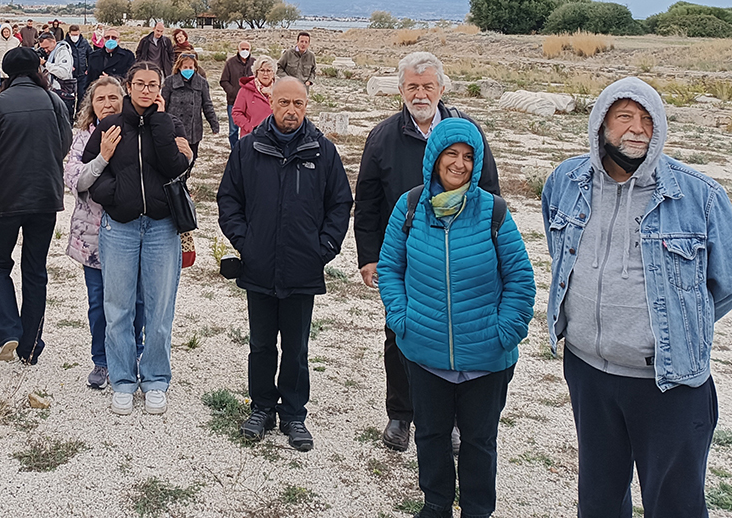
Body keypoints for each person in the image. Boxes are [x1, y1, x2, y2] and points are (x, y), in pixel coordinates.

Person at [541, 77, 732, 518]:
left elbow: (730, 282)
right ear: (601, 124)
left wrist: (678, 325)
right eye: (624, 117)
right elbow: (560, 251)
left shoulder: (700, 195)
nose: (636, 129)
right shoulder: (566, 181)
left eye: (647, 120)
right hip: (588, 371)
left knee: (675, 505)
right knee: (599, 502)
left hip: (666, 382)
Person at [355, 51, 501, 453]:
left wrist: (491, 255)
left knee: (454, 337)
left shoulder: (467, 132)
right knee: (399, 334)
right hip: (404, 259)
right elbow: (366, 202)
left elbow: (492, 195)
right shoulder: (383, 136)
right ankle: (401, 414)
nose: (420, 94)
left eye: (428, 86)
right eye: (412, 86)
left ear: (441, 88)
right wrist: (369, 257)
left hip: (463, 259)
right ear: (400, 90)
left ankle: (450, 422)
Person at [217, 76, 353, 452]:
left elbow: (340, 203)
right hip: (259, 267)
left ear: (306, 105)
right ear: (271, 103)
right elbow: (228, 200)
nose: (291, 110)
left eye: (298, 104)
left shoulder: (322, 152)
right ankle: (261, 407)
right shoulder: (248, 149)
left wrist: (323, 247)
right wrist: (246, 242)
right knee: (261, 344)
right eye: (284, 103)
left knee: (296, 347)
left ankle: (294, 414)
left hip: (302, 268)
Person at [81, 62, 192, 415]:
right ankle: (124, 380)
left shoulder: (170, 124)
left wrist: (159, 122)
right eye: (140, 84)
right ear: (129, 86)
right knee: (118, 309)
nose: (146, 90)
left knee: (159, 309)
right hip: (121, 228)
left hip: (162, 227)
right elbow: (91, 171)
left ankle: (156, 379)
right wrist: (116, 195)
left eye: (153, 84)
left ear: (161, 87)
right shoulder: (111, 126)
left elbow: (177, 168)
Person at [0, 47, 72, 365]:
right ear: (37, 69)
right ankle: (30, 345)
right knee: (35, 270)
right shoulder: (54, 102)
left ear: (8, 73)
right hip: (45, 196)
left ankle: (8, 330)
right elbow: (64, 145)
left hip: (3, 198)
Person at [64, 78, 146, 389]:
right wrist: (102, 157)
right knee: (99, 301)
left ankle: (134, 355)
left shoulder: (138, 131)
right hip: (94, 234)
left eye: (114, 97)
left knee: (135, 301)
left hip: (133, 232)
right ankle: (101, 360)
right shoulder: (84, 137)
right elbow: (74, 179)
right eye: (101, 99)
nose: (108, 103)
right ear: (92, 105)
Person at [162, 52, 219, 160]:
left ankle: (186, 176)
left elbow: (207, 104)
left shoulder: (201, 83)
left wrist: (214, 123)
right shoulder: (170, 81)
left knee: (192, 157)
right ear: (179, 67)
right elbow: (163, 104)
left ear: (195, 68)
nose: (188, 69)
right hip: (174, 127)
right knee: (174, 157)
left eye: (190, 67)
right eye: (185, 67)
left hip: (193, 129)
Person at [219, 40, 255, 148]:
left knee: (249, 129)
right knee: (233, 130)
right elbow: (223, 81)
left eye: (247, 49)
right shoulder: (230, 63)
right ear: (238, 50)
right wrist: (233, 91)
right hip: (233, 102)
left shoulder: (255, 62)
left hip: (251, 103)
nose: (245, 51)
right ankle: (235, 151)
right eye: (242, 49)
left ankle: (247, 150)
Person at [231, 56, 275, 138]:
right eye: (262, 70)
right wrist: (251, 128)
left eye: (269, 70)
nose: (265, 74)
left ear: (273, 73)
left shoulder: (280, 90)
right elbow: (236, 113)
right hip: (251, 137)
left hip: (274, 138)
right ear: (256, 72)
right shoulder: (245, 90)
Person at [43, 32, 77, 110]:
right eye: (43, 48)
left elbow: (64, 73)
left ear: (54, 42)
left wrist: (45, 64)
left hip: (63, 91)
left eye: (47, 47)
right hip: (53, 91)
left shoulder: (63, 52)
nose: (45, 50)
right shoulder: (50, 53)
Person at [65, 24, 91, 116]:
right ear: (69, 34)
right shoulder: (65, 44)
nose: (75, 37)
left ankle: (79, 116)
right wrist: (69, 66)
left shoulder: (84, 43)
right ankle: (69, 116)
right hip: (70, 76)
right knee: (70, 97)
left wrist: (89, 68)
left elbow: (91, 56)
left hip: (82, 74)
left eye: (76, 34)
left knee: (82, 96)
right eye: (73, 35)